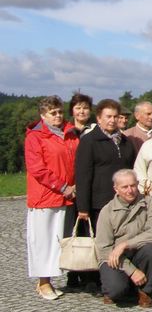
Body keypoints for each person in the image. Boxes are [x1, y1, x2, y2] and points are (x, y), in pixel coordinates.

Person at [25, 95, 79, 300]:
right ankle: (43, 282)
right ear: (43, 115)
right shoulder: (35, 137)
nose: (57, 116)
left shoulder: (71, 133)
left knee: (59, 240)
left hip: (67, 196)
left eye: (59, 112)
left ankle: (54, 279)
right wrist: (62, 186)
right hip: (46, 197)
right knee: (43, 240)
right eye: (52, 113)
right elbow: (37, 168)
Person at [95, 169, 152, 308]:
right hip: (114, 258)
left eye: (133, 185)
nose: (130, 190)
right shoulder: (107, 211)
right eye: (124, 187)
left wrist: (125, 244)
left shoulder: (149, 203)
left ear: (138, 184)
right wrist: (132, 271)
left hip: (138, 251)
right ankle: (112, 289)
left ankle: (144, 292)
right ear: (116, 189)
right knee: (117, 291)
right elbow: (104, 248)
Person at [75, 99, 137, 226]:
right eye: (108, 116)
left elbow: (132, 169)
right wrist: (83, 207)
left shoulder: (126, 142)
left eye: (115, 117)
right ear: (99, 118)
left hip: (123, 201)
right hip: (99, 204)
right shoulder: (89, 141)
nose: (112, 120)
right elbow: (83, 175)